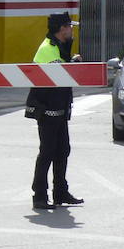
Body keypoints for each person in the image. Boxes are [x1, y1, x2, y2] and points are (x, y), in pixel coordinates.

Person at [24, 11, 85, 210]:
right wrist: (73, 64)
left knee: (62, 151)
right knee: (47, 152)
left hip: (59, 107)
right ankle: (39, 196)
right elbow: (60, 74)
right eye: (70, 27)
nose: (72, 30)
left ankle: (60, 193)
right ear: (61, 29)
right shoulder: (48, 49)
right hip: (47, 109)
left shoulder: (59, 46)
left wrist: (71, 60)